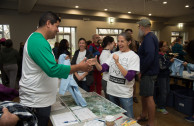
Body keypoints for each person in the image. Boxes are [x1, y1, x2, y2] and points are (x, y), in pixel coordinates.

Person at [19, 11, 92, 126]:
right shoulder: (38, 41)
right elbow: (52, 69)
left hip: (41, 99)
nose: (58, 30)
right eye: (57, 26)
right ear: (48, 23)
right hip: (37, 101)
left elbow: (44, 64)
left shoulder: (39, 40)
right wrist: (79, 67)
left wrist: (61, 61)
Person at [88, 32, 140, 118]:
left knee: (129, 118)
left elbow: (130, 77)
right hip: (112, 92)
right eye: (118, 41)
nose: (119, 44)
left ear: (129, 42)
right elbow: (103, 68)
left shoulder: (133, 56)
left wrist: (118, 63)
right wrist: (96, 63)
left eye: (122, 41)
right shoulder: (113, 54)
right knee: (114, 117)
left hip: (124, 94)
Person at [137, 19, 159, 126]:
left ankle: (150, 123)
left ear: (142, 27)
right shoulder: (150, 37)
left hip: (148, 72)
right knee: (144, 95)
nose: (138, 29)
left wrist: (142, 71)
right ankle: (144, 115)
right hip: (148, 71)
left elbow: (150, 56)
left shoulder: (149, 38)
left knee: (149, 97)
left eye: (139, 27)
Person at [156, 41, 174, 114]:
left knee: (167, 91)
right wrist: (170, 62)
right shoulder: (159, 56)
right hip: (161, 76)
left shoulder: (165, 55)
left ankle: (161, 104)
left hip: (166, 75)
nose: (167, 47)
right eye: (165, 46)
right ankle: (160, 107)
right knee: (163, 92)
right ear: (160, 48)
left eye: (167, 46)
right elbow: (162, 67)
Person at [125, 28, 139, 103]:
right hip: (124, 62)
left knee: (133, 80)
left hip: (133, 62)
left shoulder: (135, 42)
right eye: (128, 33)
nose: (129, 34)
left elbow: (138, 53)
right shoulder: (123, 42)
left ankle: (134, 95)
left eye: (130, 33)